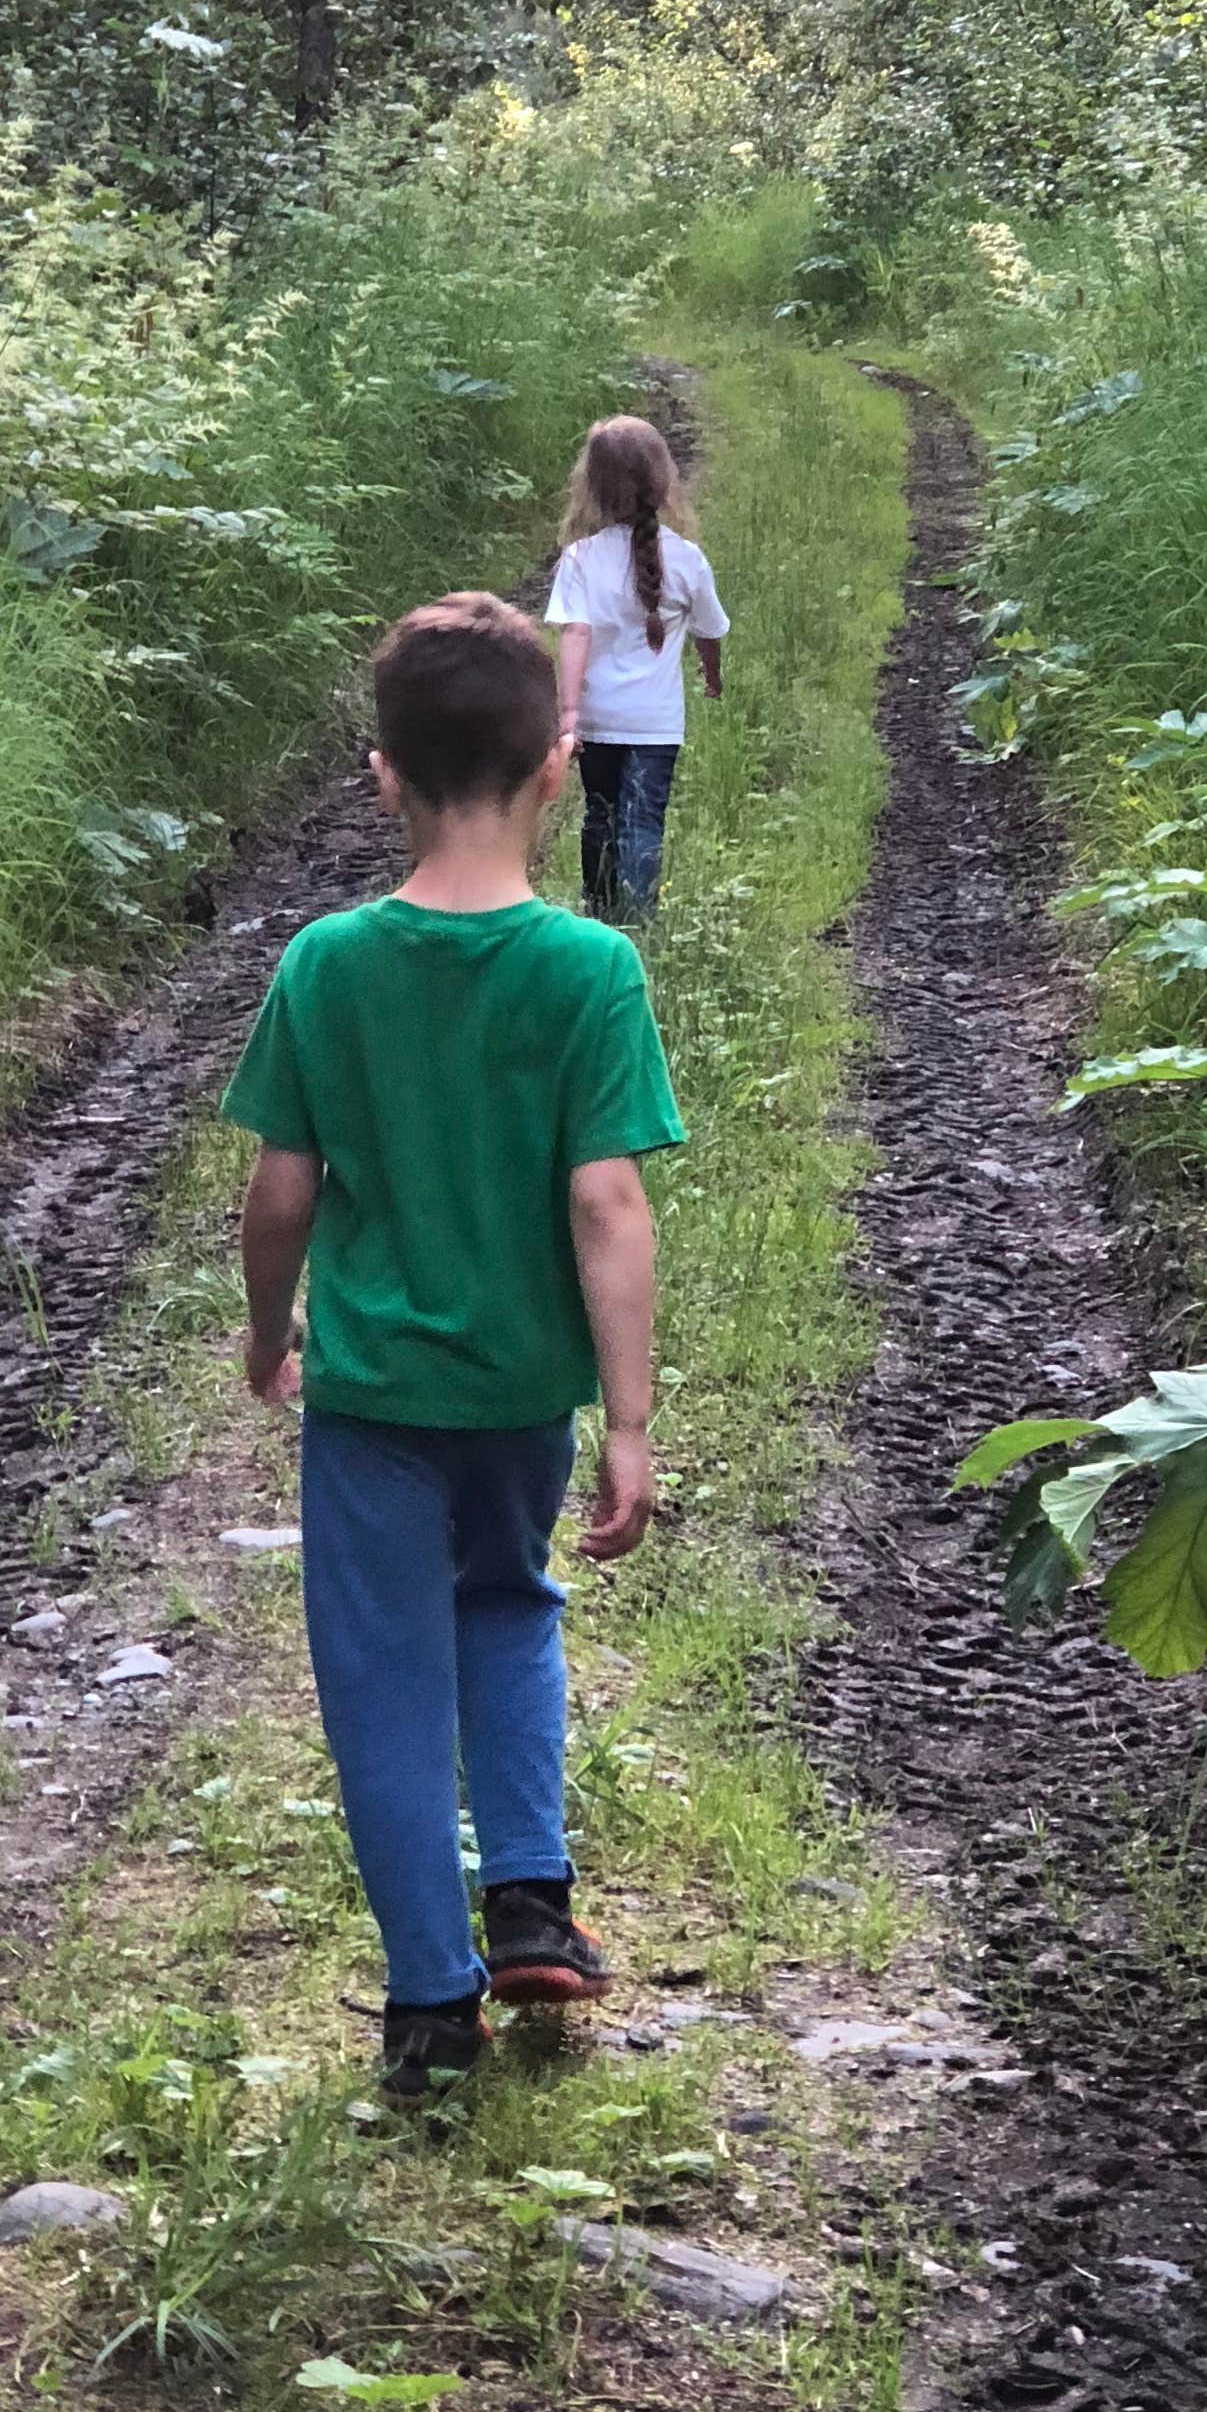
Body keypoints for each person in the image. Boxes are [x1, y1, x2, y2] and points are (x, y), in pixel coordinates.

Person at [223, 591, 683, 2107]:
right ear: (558, 765)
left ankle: (431, 2002)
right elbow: (607, 1204)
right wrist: (628, 1422)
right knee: (510, 1600)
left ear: (382, 777)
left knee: (382, 1677)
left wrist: (269, 1330)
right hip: (520, 1392)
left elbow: (280, 1192)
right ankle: (532, 1900)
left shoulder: (327, 965)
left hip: (372, 1396)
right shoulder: (590, 972)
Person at [544, 414, 728, 921]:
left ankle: (599, 913)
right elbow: (710, 631)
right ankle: (640, 920)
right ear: (663, 480)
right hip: (656, 724)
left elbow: (575, 635)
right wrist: (712, 675)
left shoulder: (579, 559)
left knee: (599, 815)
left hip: (599, 719)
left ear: (592, 487)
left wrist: (569, 714)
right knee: (643, 821)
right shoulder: (687, 559)